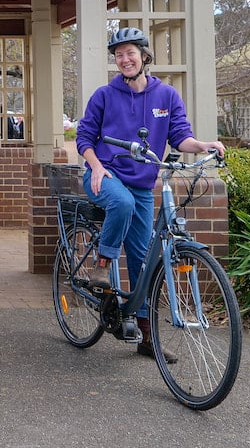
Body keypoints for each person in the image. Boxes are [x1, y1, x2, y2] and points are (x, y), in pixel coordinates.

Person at [75, 27, 225, 362]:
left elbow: (180, 135)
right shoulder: (104, 95)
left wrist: (202, 145)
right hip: (107, 176)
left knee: (145, 262)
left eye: (130, 53)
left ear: (144, 56)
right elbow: (84, 137)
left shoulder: (166, 96)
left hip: (143, 184)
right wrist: (96, 167)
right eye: (118, 55)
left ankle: (146, 337)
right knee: (122, 203)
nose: (124, 59)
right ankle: (103, 263)